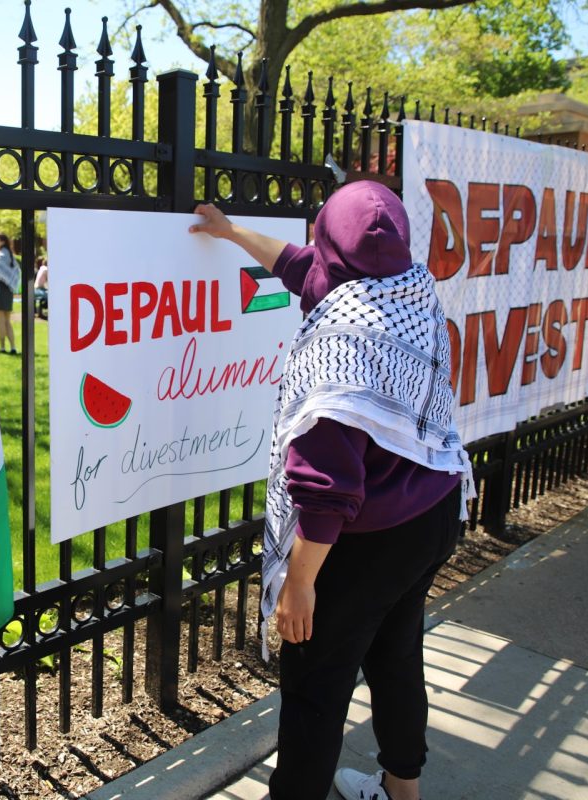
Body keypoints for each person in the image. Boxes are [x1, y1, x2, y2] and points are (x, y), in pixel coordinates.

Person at [189, 181, 475, 800]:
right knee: (397, 657)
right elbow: (299, 266)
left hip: (361, 544)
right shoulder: (406, 286)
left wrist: (299, 585)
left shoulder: (339, 347)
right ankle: (403, 794)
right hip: (432, 513)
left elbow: (327, 491)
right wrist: (233, 230)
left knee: (316, 691)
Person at [0, 232, 20, 354]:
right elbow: (16, 271)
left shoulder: (0, 254)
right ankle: (13, 347)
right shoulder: (10, 254)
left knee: (0, 320)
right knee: (7, 320)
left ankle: (3, 347)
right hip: (8, 290)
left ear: (2, 242)